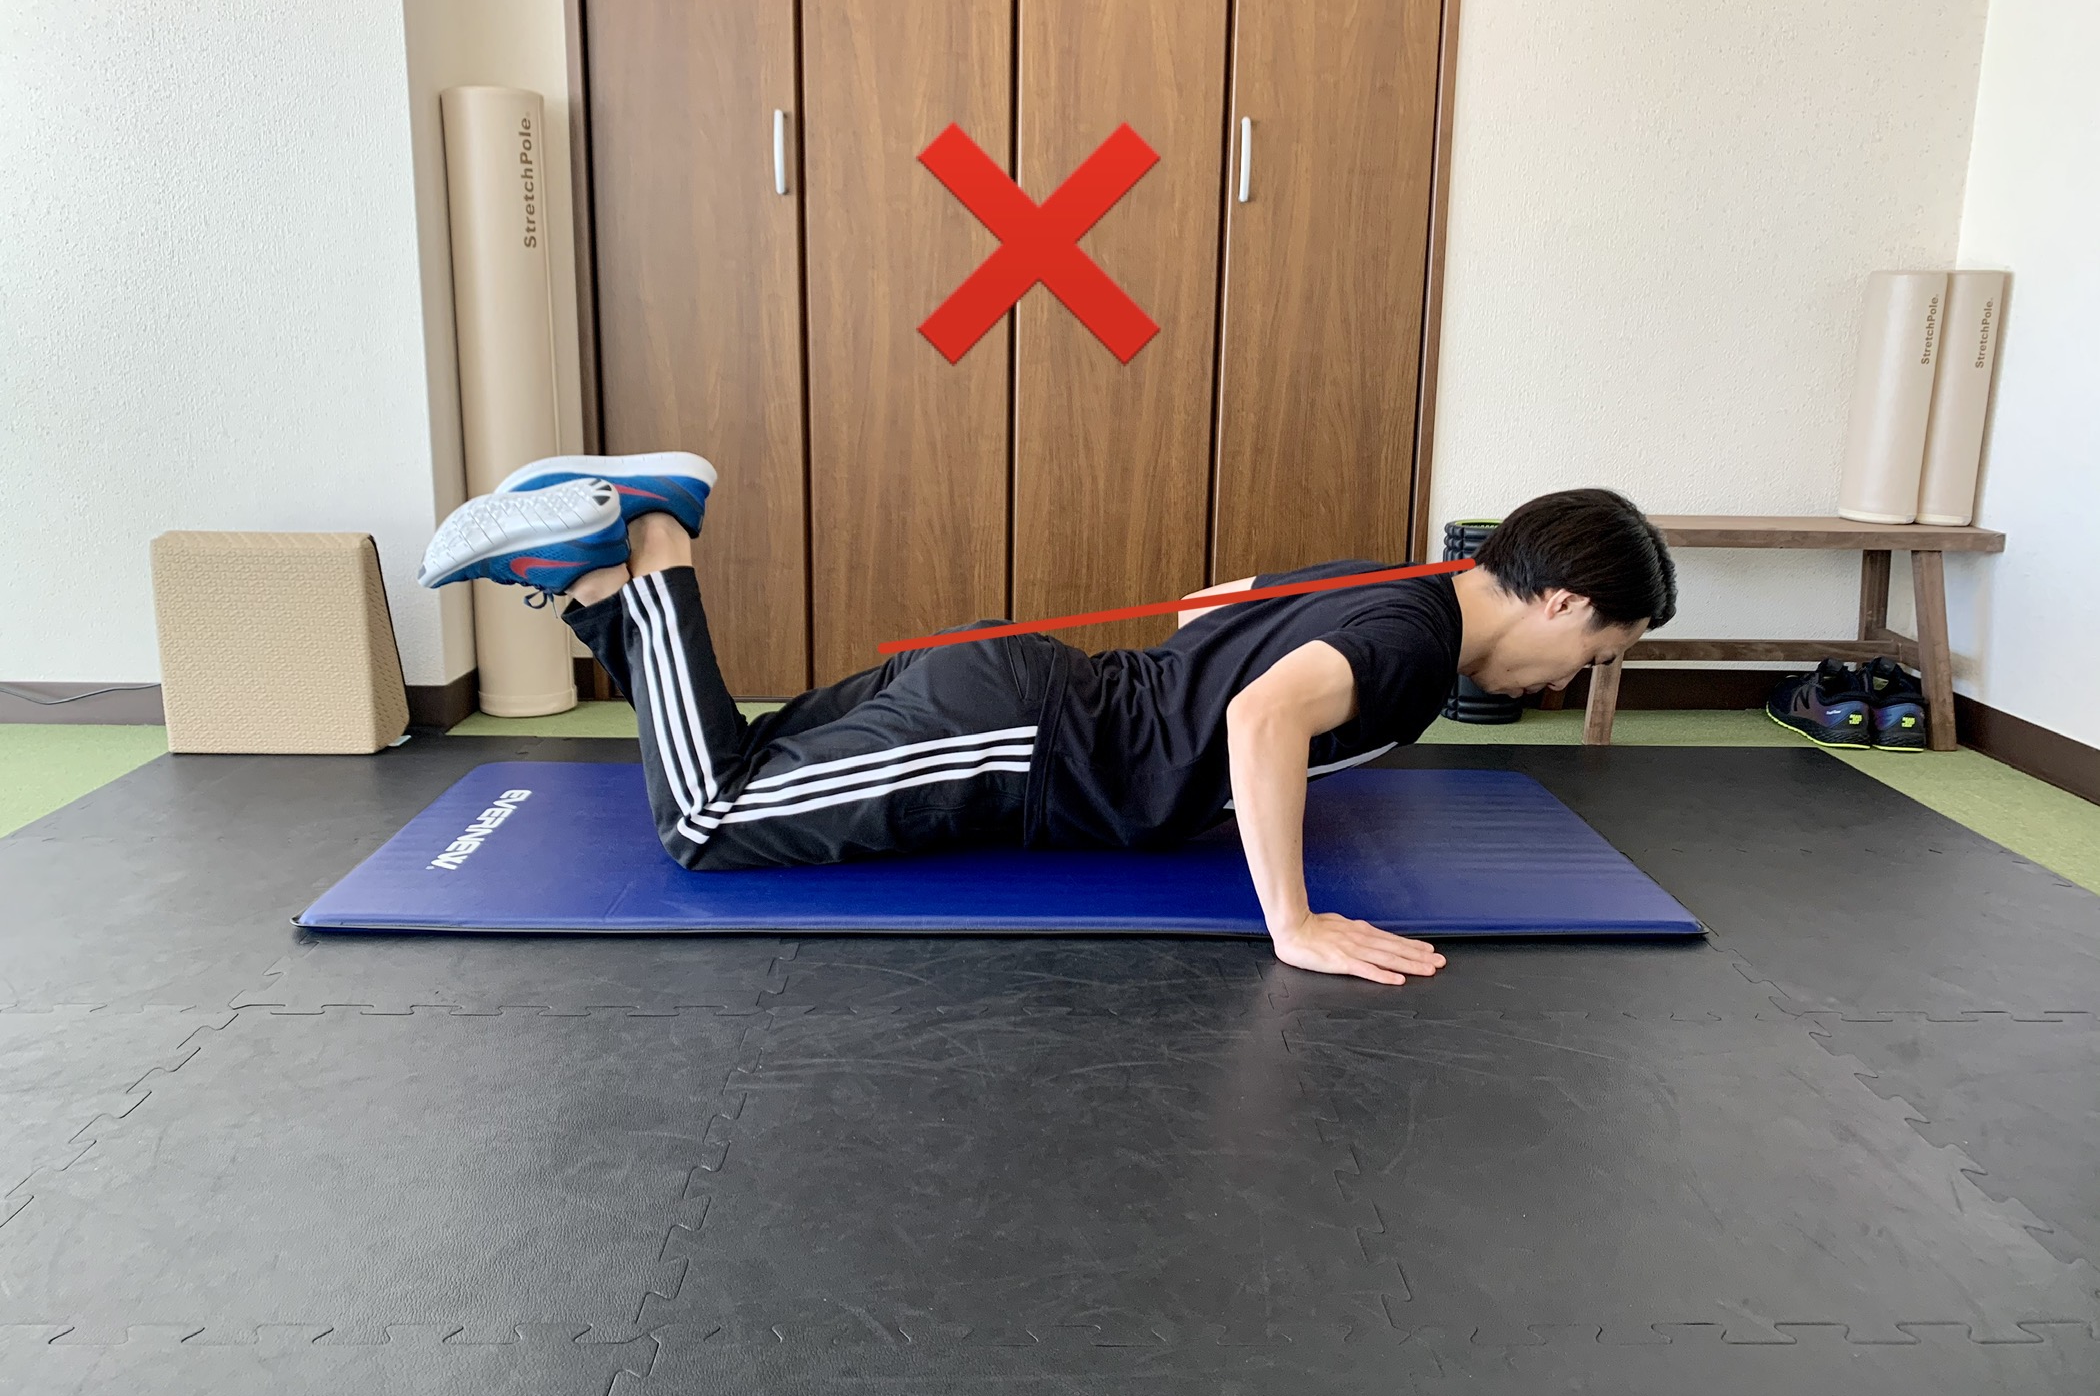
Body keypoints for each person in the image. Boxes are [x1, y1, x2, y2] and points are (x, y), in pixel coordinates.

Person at [419, 455, 1677, 987]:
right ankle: (655, 537)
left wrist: (1176, 717)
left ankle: (596, 583)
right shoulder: (1413, 649)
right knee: (710, 818)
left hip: (1016, 690)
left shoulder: (1411, 580)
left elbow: (1216, 605)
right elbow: (1262, 713)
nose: (1571, 679)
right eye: (1597, 654)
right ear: (1563, 600)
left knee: (740, 759)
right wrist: (1291, 923)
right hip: (1023, 742)